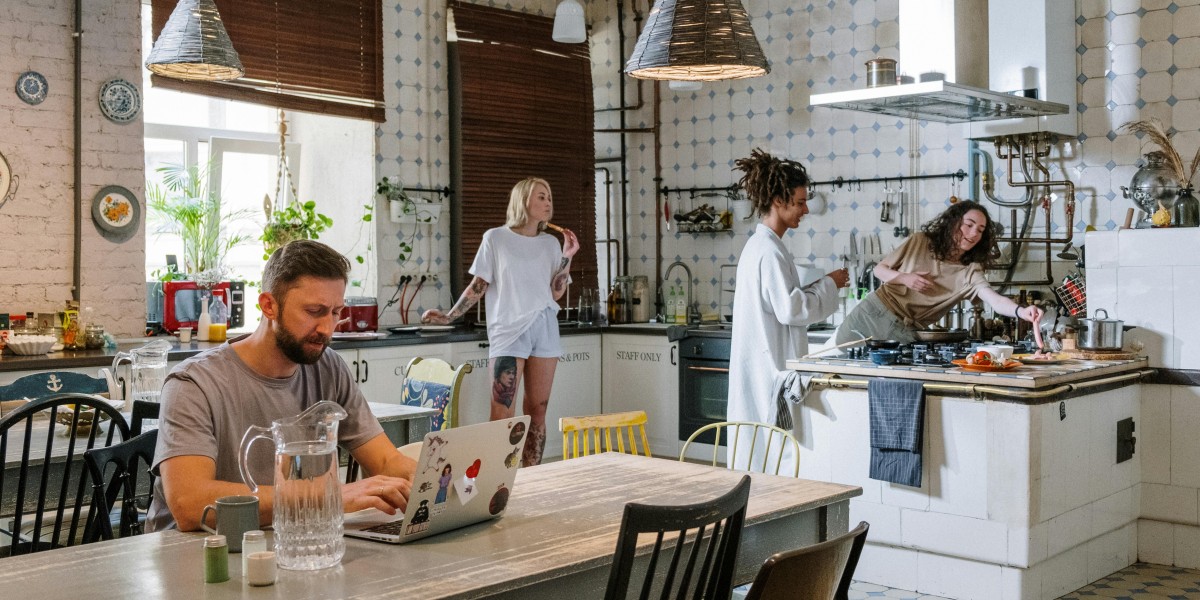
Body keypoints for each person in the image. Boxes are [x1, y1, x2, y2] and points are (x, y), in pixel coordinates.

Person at [149, 240, 416, 532]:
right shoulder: (194, 383)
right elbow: (190, 504)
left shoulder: (330, 368)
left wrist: (447, 480)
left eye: (336, 312)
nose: (327, 329)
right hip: (199, 555)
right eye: (314, 311)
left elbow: (387, 460)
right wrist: (328, 496)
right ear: (269, 306)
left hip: (291, 545)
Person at [422, 177, 579, 466]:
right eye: (541, 197)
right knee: (502, 413)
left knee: (538, 409)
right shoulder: (495, 238)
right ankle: (496, 478)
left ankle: (533, 476)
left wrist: (567, 256)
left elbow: (556, 291)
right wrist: (449, 316)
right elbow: (479, 285)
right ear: (523, 201)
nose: (548, 203)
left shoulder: (550, 243)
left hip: (544, 326)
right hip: (508, 330)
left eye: (549, 197)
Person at [727, 149, 850, 470]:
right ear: (778, 202)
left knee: (760, 451)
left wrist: (821, 284)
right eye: (799, 202)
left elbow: (786, 301)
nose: (805, 209)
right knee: (768, 455)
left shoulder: (765, 247)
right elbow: (791, 309)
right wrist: (830, 284)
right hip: (767, 368)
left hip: (762, 364)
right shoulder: (768, 251)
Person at [833, 200, 1044, 345]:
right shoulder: (920, 241)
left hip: (905, 332)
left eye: (980, 230)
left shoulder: (970, 271)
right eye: (968, 225)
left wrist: (1021, 312)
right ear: (954, 222)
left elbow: (995, 300)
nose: (972, 234)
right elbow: (880, 270)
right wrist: (904, 278)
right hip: (872, 313)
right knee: (839, 371)